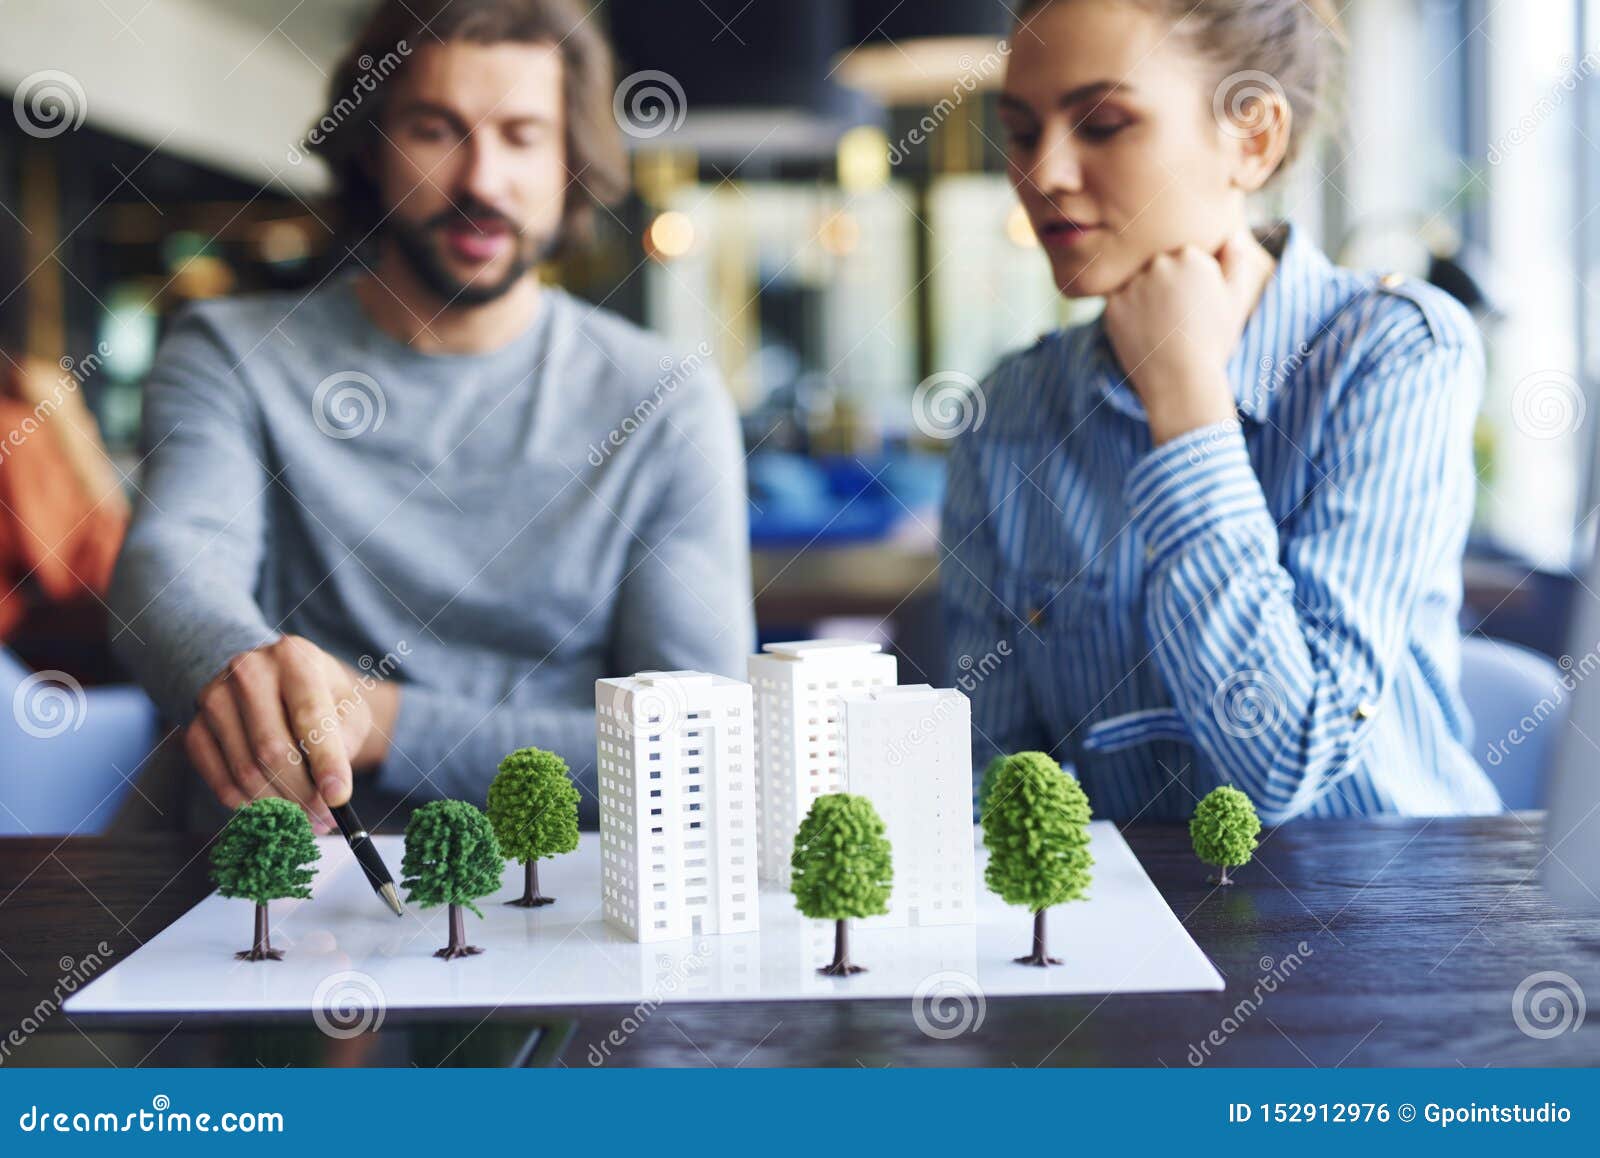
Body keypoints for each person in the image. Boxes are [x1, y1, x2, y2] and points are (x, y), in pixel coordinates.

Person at [109, 0, 753, 833]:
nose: (481, 181)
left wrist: (377, 723)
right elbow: (169, 566)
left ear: (571, 162)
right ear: (372, 149)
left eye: (522, 135)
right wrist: (237, 667)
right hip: (284, 887)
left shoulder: (665, 399)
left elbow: (695, 744)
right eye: (436, 129)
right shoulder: (232, 353)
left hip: (569, 897)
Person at [942, 0, 1501, 823]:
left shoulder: (1396, 352)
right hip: (1126, 935)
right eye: (1022, 132)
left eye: (1102, 124)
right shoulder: (1009, 411)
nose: (1045, 174)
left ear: (1253, 137)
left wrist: (1187, 404)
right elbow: (997, 784)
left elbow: (1285, 761)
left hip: (1389, 919)